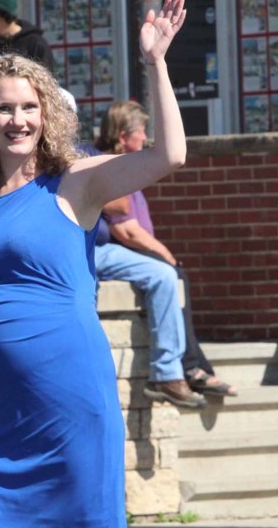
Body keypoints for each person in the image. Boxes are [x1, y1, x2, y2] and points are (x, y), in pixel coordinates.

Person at [0, 0, 188, 528]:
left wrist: (157, 63)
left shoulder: (76, 182)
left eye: (29, 108)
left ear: (46, 113)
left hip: (65, 406)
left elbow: (169, 156)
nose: (17, 120)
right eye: (4, 108)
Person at [95, 101, 237, 404]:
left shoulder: (125, 168)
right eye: (141, 131)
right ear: (122, 136)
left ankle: (192, 367)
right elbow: (125, 227)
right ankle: (176, 372)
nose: (146, 137)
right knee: (168, 274)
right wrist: (165, 255)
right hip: (105, 253)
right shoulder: (108, 166)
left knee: (174, 276)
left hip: (121, 253)